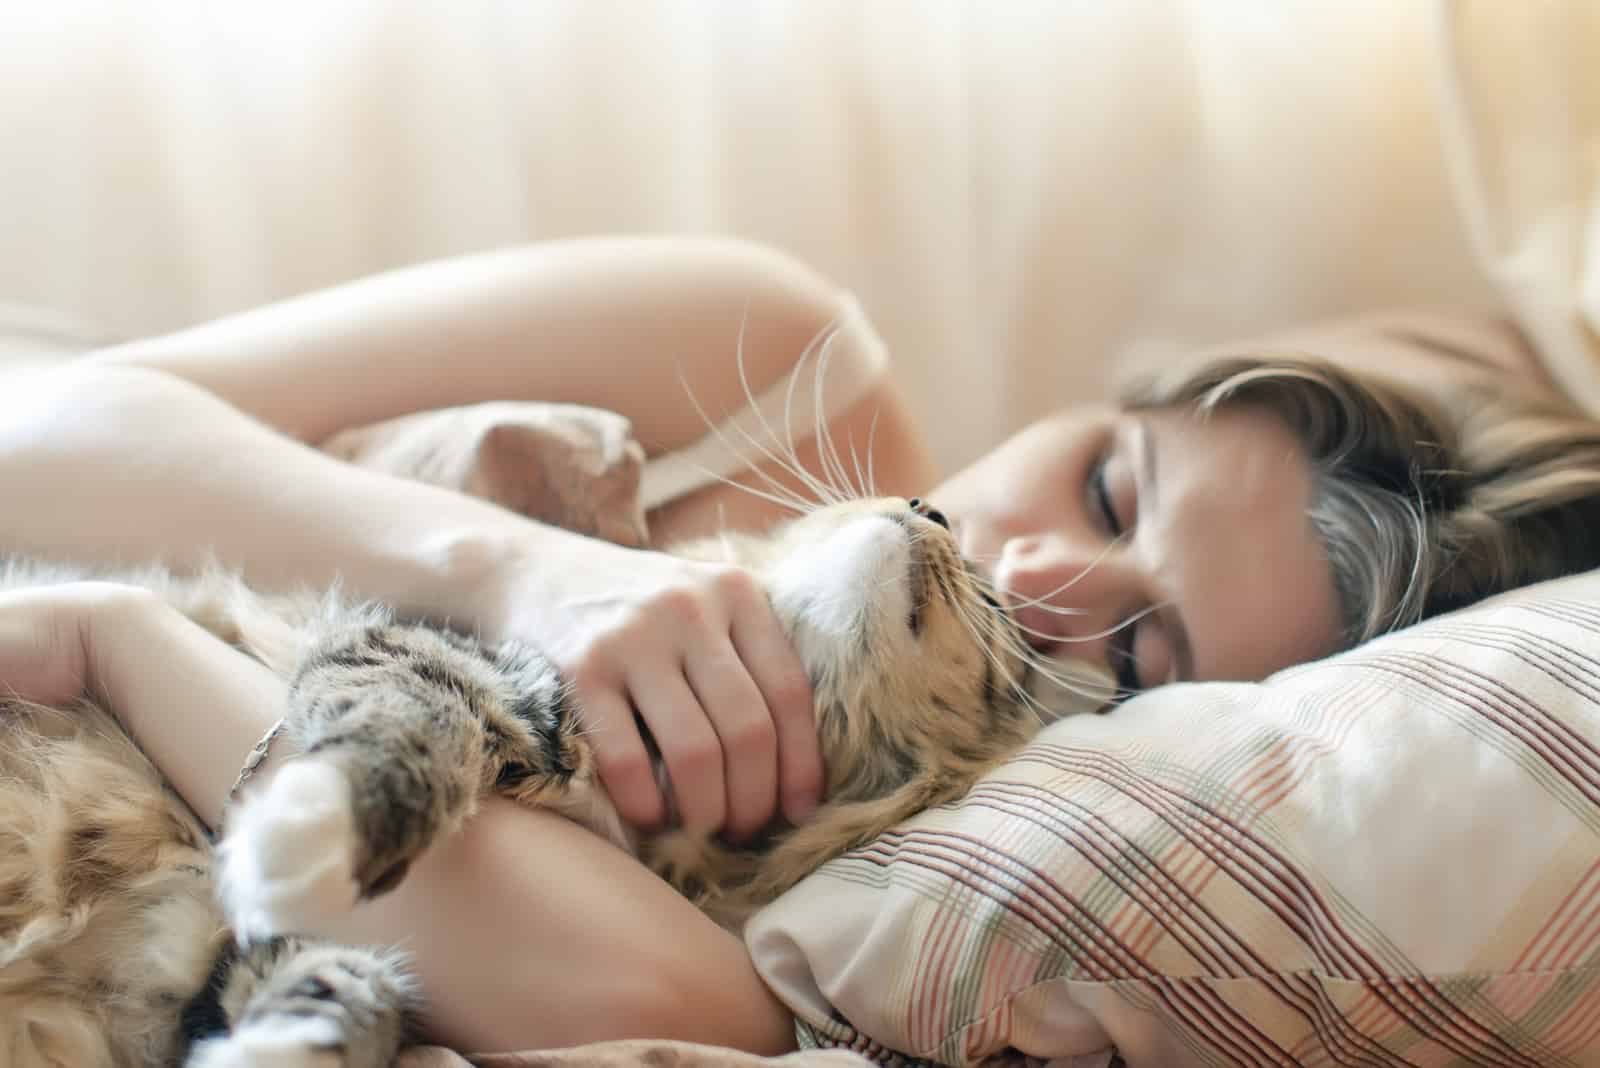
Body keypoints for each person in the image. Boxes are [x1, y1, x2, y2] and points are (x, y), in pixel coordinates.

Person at [2, 237, 1599, 1055]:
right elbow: (43, 435)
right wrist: (522, 572)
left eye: (1142, 651)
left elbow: (657, 1004)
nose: (1040, 565)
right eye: (1110, 482)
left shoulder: (911, 867)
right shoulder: (772, 362)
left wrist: (140, 650)